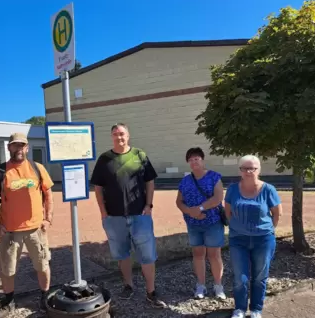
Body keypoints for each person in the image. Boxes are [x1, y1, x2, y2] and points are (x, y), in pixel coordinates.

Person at [90, 123, 166, 308]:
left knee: (147, 255)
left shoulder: (139, 155)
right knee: (122, 254)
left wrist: (149, 205)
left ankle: (151, 292)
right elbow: (98, 188)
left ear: (128, 135)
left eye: (122, 134)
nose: (119, 137)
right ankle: (128, 286)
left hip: (140, 216)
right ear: (111, 137)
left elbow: (150, 182)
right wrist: (103, 212)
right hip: (114, 218)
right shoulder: (105, 159)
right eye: (115, 134)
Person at [0, 132, 54, 318]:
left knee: (42, 265)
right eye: (15, 145)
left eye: (22, 145)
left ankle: (44, 296)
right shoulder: (0, 172)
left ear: (27, 148)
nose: (19, 149)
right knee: (7, 269)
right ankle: (9, 301)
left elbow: (48, 195)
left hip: (36, 230)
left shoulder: (37, 168)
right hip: (9, 231)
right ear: (9, 147)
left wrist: (47, 219)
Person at [225, 155, 282, 318]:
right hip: (238, 240)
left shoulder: (268, 189)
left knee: (259, 276)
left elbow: (277, 214)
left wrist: (267, 230)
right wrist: (239, 228)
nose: (249, 171)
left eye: (253, 168)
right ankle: (240, 309)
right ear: (240, 170)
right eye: (245, 168)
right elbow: (228, 212)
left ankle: (256, 309)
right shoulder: (232, 189)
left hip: (263, 240)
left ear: (259, 170)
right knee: (240, 277)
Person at [175, 147, 226, 300]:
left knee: (214, 255)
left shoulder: (214, 177)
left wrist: (200, 208)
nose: (194, 162)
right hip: (193, 224)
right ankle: (201, 285)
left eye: (196, 158)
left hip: (213, 222)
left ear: (202, 160)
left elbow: (218, 197)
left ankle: (218, 286)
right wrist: (190, 212)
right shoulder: (185, 181)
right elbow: (179, 201)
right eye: (190, 160)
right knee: (198, 254)